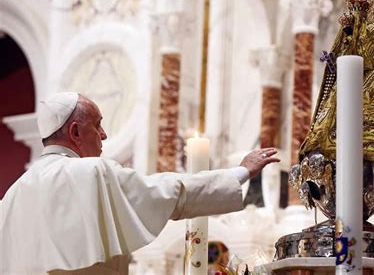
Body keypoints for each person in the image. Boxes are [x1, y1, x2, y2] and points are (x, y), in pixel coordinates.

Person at [0, 92, 280, 275]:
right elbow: (170, 192)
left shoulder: (12, 194)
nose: (104, 135)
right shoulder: (91, 173)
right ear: (75, 132)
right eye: (97, 125)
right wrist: (240, 173)